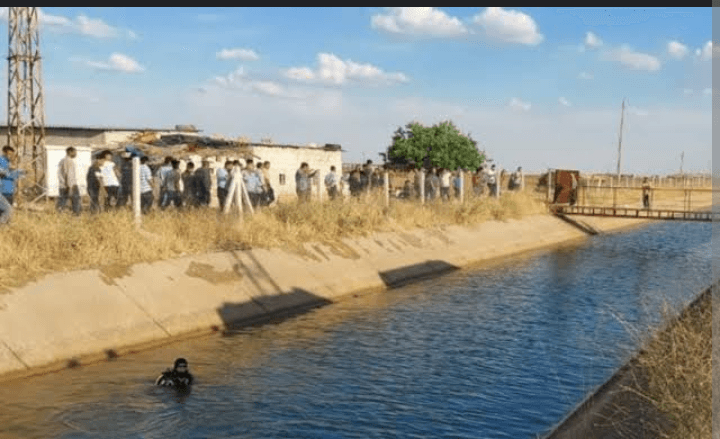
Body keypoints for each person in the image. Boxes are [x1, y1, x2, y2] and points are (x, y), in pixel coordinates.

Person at [0, 146, 24, 226]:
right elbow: (3, 173)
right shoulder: (1, 160)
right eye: (9, 153)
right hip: (3, 190)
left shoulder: (9, 162)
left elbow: (11, 174)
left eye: (12, 153)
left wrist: (19, 173)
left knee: (9, 211)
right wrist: (14, 172)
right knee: (7, 210)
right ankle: (2, 226)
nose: (11, 155)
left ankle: (7, 227)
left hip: (10, 190)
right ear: (5, 152)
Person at [57, 146, 82, 215]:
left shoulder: (62, 161)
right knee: (75, 200)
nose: (76, 154)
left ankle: (60, 213)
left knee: (63, 200)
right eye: (74, 152)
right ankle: (76, 214)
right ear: (70, 152)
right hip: (70, 184)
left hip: (63, 184)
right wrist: (70, 186)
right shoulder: (69, 161)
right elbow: (69, 174)